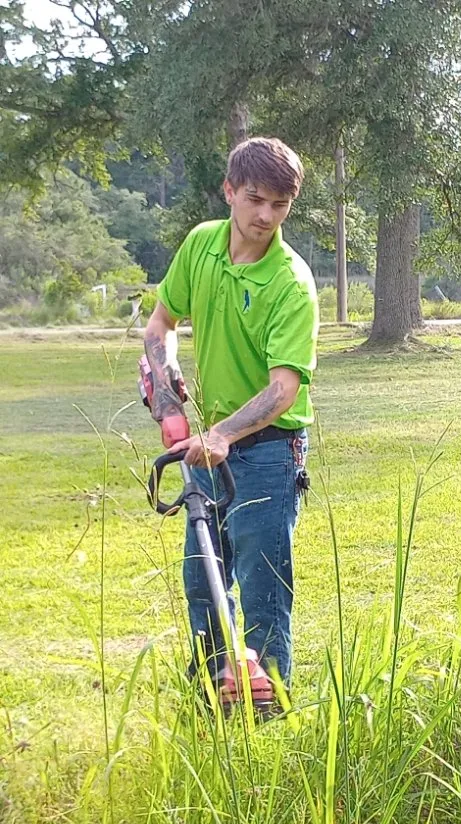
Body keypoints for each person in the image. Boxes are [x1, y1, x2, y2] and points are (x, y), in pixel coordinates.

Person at [143, 136, 318, 698]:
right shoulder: (201, 247)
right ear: (229, 192)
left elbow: (283, 390)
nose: (266, 215)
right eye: (255, 199)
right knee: (202, 581)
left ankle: (271, 704)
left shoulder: (291, 283)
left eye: (280, 204)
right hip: (204, 447)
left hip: (268, 449)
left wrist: (223, 433)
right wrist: (166, 389)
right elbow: (159, 326)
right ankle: (212, 695)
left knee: (262, 583)